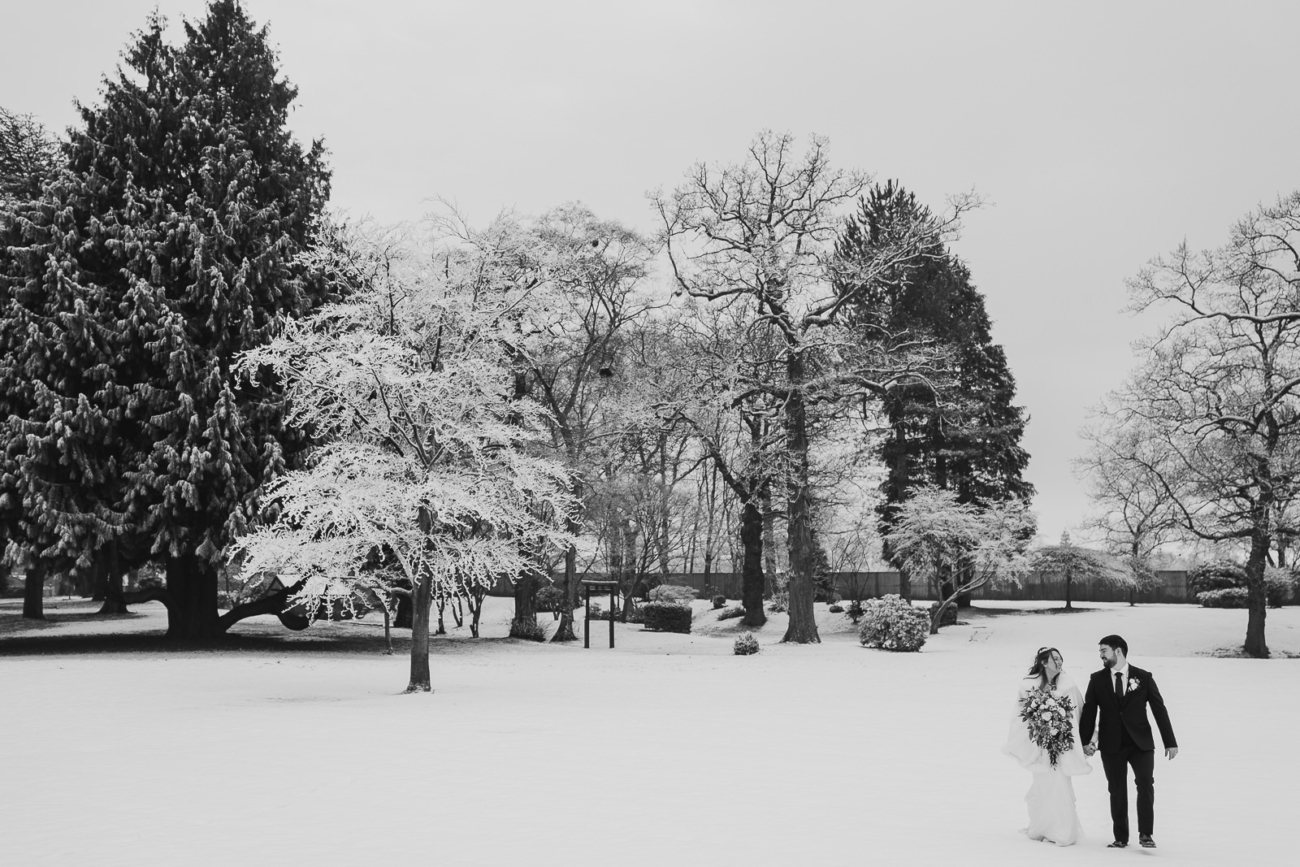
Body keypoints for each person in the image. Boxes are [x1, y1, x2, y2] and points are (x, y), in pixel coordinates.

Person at [1079, 634, 1178, 850]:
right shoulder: (1097, 680)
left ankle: (1146, 834)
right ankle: (1121, 837)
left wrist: (1170, 741)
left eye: (1103, 650)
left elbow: (1159, 709)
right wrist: (1084, 742)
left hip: (1140, 743)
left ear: (1118, 651)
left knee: (1145, 784)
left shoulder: (1143, 677)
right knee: (1116, 789)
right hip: (1111, 744)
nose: (1101, 656)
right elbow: (1089, 713)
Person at [1002, 646, 1092, 846]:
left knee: (1060, 784)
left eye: (1061, 658)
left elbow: (1081, 712)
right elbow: (1019, 714)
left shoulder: (1068, 684)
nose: (1059, 662)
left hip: (1062, 745)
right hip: (1040, 746)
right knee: (1043, 785)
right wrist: (1038, 726)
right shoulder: (1028, 685)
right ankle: (1041, 827)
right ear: (1044, 663)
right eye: (1055, 659)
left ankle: (1063, 831)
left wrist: (1085, 741)